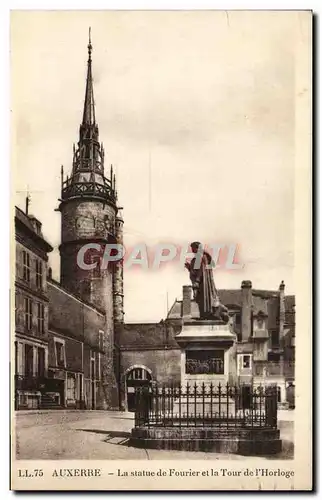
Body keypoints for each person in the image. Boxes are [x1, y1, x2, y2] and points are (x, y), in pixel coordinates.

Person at [185, 241, 229, 322]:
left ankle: (208, 314)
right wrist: (189, 268)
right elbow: (197, 270)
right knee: (202, 299)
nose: (191, 250)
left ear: (197, 248)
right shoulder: (203, 257)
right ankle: (207, 314)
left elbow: (200, 271)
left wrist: (197, 282)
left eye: (192, 248)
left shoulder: (199, 257)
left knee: (201, 298)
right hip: (204, 283)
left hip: (202, 284)